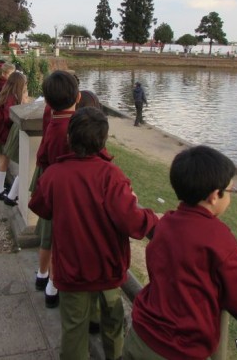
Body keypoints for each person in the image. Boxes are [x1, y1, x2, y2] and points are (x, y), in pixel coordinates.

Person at [29, 107, 158, 360]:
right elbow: (130, 220)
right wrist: (153, 218)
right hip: (107, 268)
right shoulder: (111, 175)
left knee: (73, 328)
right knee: (113, 325)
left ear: (69, 138)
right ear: (103, 141)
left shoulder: (56, 174)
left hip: (71, 269)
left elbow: (40, 206)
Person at [124, 145, 237, 360]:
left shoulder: (166, 223)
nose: (230, 197)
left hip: (140, 336)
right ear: (214, 196)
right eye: (231, 191)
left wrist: (234, 259)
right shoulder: (218, 237)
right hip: (177, 351)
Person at [29, 70, 81, 309]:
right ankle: (52, 285)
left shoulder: (53, 118)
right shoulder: (72, 128)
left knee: (47, 236)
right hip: (64, 191)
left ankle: (42, 275)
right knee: (60, 240)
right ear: (78, 97)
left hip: (49, 183)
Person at [0, 71, 27, 200]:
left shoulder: (4, 94)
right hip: (4, 134)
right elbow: (8, 118)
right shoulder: (11, 98)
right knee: (3, 162)